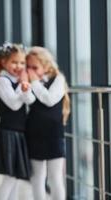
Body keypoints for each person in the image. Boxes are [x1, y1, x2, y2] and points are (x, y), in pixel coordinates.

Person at [0, 42, 35, 200]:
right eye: (14, 62)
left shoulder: (17, 81)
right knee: (10, 177)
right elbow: (14, 104)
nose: (19, 66)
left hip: (18, 133)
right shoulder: (2, 81)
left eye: (22, 62)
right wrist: (22, 85)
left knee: (14, 178)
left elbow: (30, 100)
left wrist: (24, 86)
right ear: (3, 62)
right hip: (8, 133)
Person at [25, 46, 70, 200]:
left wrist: (35, 82)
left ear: (46, 65)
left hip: (53, 133)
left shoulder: (58, 79)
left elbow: (49, 100)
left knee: (55, 177)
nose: (31, 71)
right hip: (34, 132)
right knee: (37, 177)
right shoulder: (29, 81)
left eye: (35, 67)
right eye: (28, 67)